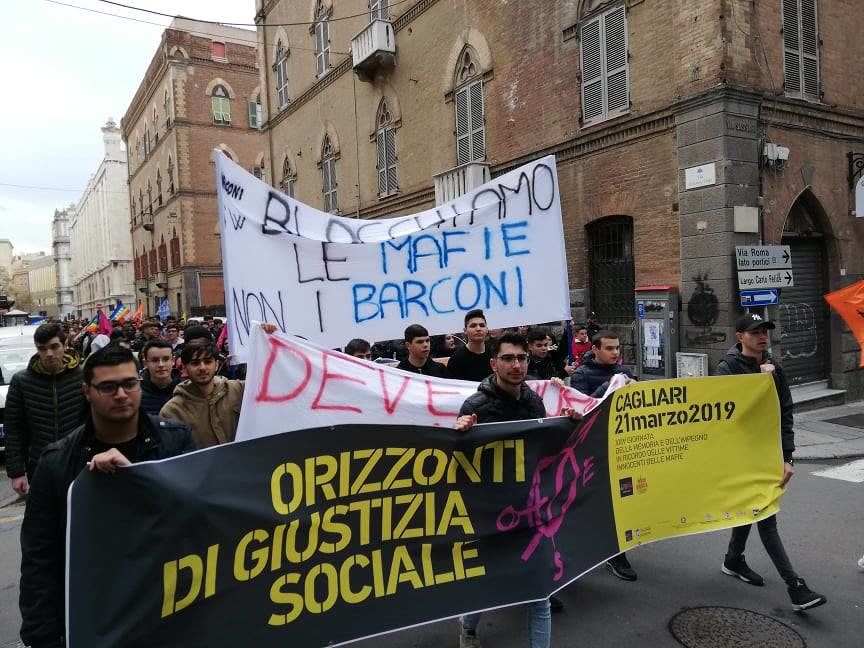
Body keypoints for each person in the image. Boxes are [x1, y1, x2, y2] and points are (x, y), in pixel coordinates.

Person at [18, 345, 195, 648]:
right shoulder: (57, 463)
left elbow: (198, 518)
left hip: (167, 612)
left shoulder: (176, 441)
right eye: (108, 387)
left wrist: (139, 478)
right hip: (96, 617)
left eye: (129, 384)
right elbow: (39, 558)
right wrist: (43, 637)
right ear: (87, 390)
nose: (122, 395)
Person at [454, 332, 581, 648]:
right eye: (508, 358)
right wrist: (461, 434)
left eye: (521, 358)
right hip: (491, 513)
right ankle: (468, 628)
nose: (516, 365)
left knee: (539, 594)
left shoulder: (533, 400)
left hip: (530, 507)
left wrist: (569, 424)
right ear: (494, 362)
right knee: (489, 581)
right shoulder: (475, 406)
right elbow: (459, 462)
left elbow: (545, 450)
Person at [717, 312, 827, 611]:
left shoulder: (775, 366)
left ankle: (733, 559)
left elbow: (785, 412)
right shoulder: (726, 368)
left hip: (768, 455)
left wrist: (787, 456)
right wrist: (758, 384)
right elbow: (728, 415)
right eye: (755, 331)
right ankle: (795, 587)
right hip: (742, 457)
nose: (762, 336)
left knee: (756, 509)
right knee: (765, 517)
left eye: (765, 330)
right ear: (740, 337)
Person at [569, 330, 637, 580]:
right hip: (593, 448)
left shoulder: (625, 372)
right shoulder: (581, 375)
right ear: (595, 349)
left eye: (617, 348)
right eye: (609, 348)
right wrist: (609, 386)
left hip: (622, 445)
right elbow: (581, 410)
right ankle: (601, 552)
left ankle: (614, 552)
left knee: (621, 500)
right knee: (595, 503)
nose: (616, 353)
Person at [4, 323, 86, 497]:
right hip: (40, 466)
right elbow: (14, 429)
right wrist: (17, 472)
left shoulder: (83, 376)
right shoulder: (21, 381)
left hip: (77, 464)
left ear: (65, 345)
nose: (49, 354)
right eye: (42, 349)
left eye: (54, 347)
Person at [160, 340, 245, 448]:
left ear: (216, 364)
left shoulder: (238, 389)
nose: (202, 368)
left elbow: (269, 381)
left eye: (208, 361)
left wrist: (267, 335)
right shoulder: (173, 411)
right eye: (195, 363)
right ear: (185, 368)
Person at [447, 309, 493, 382]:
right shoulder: (456, 360)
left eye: (482, 325)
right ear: (465, 330)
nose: (478, 329)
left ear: (487, 329)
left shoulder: (495, 354)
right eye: (473, 326)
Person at [139, 339, 182, 415]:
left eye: (166, 359)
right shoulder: (137, 393)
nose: (161, 365)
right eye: (155, 360)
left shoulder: (185, 389)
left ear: (173, 361)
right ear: (145, 363)